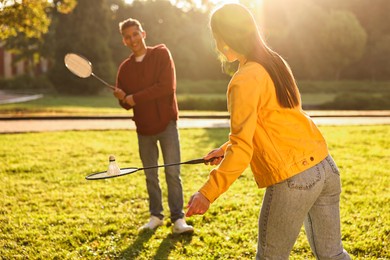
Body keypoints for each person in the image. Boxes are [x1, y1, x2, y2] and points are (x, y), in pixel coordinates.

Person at [186, 3, 350, 259]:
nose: (217, 44)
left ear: (228, 36)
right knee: (333, 255)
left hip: (294, 179)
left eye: (217, 36)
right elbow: (275, 122)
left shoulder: (244, 79)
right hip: (325, 167)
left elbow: (243, 148)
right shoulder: (275, 62)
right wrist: (224, 149)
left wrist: (207, 193)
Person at [113, 18, 193, 234]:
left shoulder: (161, 54)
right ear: (124, 41)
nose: (133, 39)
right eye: (128, 37)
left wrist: (133, 98)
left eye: (135, 34)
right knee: (151, 175)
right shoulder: (125, 68)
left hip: (166, 124)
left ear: (143, 33)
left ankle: (178, 220)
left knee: (172, 172)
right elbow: (126, 103)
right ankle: (156, 216)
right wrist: (122, 98)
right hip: (144, 128)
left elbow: (167, 87)